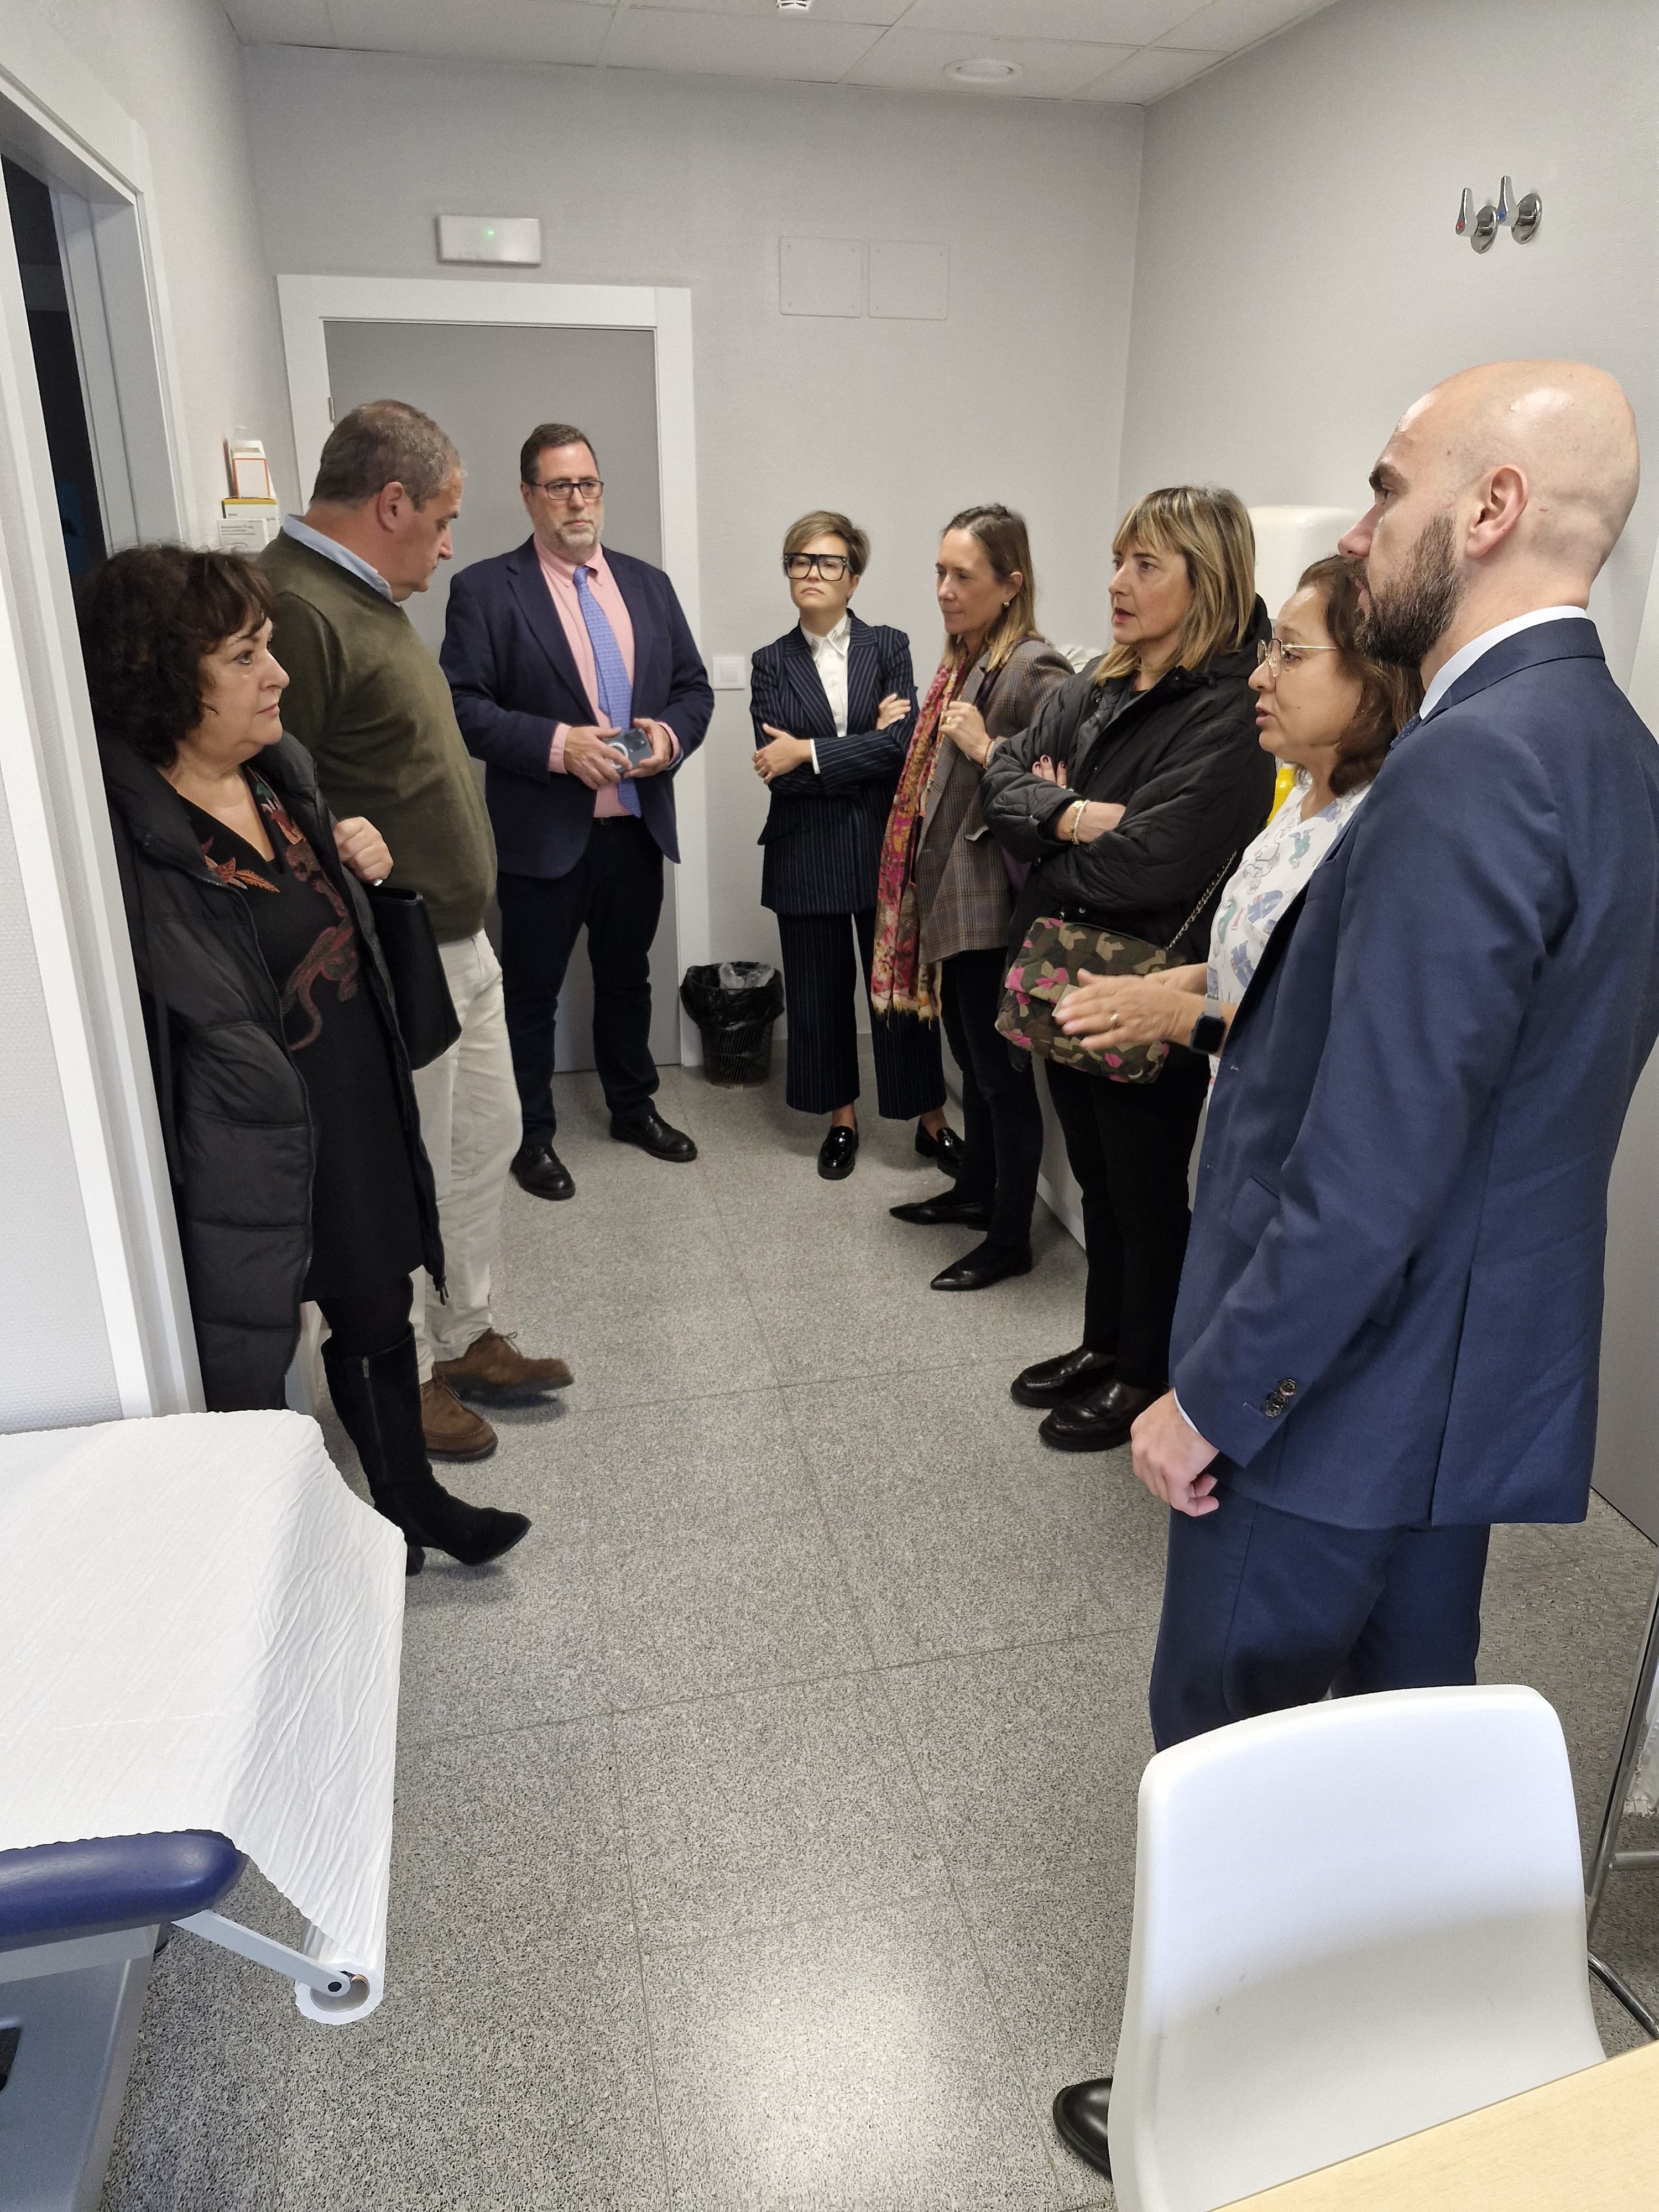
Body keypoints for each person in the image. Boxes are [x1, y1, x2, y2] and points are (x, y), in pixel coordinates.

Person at [1051, 358, 1659, 2191]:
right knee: (1408, 1756)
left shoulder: (1471, 768)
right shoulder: (1611, 748)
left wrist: (1204, 1399)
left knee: (1233, 1755)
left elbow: (1372, 1166)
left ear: (1483, 515)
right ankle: (1382, 2089)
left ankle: (1214, 2102)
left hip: (1330, 1408)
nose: (1364, 521)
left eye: (1391, 487)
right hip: (1468, 1392)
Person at [83, 545, 529, 1575]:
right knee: (249, 1346)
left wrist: (356, 860)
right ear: (160, 676)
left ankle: (411, 1505)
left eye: (269, 647)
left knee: (374, 1303)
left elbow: (310, 927)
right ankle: (273, 1552)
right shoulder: (130, 837)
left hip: (350, 1095)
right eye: (244, 656)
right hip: (247, 1136)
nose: (275, 675)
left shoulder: (280, 775)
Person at [260, 400, 570, 1468]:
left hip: (455, 933)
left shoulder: (368, 597)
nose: (449, 543)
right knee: (416, 1167)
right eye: (441, 519)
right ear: (389, 503)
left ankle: (469, 1332)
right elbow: (268, 802)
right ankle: (416, 1378)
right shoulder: (295, 608)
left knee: (483, 1139)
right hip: (394, 954)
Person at [981, 486, 1274, 1449]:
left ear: (1209, 579)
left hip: (1153, 982)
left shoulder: (1229, 709)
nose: (1117, 583)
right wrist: (1067, 813)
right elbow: (1003, 773)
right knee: (1098, 1181)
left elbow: (1157, 857)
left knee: (1148, 1193)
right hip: (1069, 967)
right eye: (1118, 560)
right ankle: (1103, 1343)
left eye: (1146, 565)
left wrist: (1053, 829)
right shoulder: (1106, 679)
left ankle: (1148, 1373)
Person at [441, 420, 714, 1202]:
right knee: (530, 994)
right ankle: (531, 1138)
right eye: (558, 486)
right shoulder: (488, 590)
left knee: (628, 980)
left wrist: (666, 735)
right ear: (528, 496)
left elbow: (693, 689)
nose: (576, 500)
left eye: (587, 483)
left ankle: (633, 1107)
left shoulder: (648, 584)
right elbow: (462, 706)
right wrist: (562, 745)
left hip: (635, 827)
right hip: (543, 839)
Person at [1052, 555, 1420, 1060]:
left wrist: (1174, 1016)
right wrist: (1178, 983)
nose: (1259, 678)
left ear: (1371, 675)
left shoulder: (1380, 830)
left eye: (1289, 654)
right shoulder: (1301, 799)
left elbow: (1327, 1029)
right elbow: (1270, 963)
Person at [874, 505, 1072, 1289]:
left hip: (998, 910)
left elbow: (1053, 802)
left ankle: (1009, 1237)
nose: (945, 590)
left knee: (1001, 1077)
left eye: (963, 576)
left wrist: (986, 748)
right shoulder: (968, 660)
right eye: (940, 572)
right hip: (958, 903)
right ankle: (974, 1193)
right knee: (972, 1064)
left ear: (1009, 583)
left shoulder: (1033, 669)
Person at [749, 510, 960, 1180]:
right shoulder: (769, 664)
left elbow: (905, 750)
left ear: (854, 577)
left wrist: (808, 751)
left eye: (828, 563)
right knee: (819, 994)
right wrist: (861, 746)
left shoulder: (889, 646)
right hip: (802, 850)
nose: (812, 573)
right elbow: (774, 770)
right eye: (800, 561)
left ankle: (931, 1121)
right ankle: (841, 1120)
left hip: (882, 847)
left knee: (898, 988)